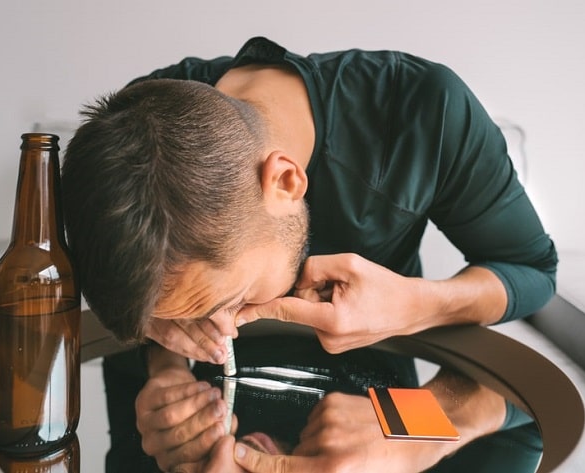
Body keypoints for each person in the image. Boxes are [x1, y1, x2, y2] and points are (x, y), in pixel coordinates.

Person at [61, 36, 557, 472]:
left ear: (286, 181)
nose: (222, 330)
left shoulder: (422, 108)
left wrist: (414, 305)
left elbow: (531, 270)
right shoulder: (132, 139)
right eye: (190, 318)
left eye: (228, 301)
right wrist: (164, 358)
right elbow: (526, 407)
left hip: (376, 403)